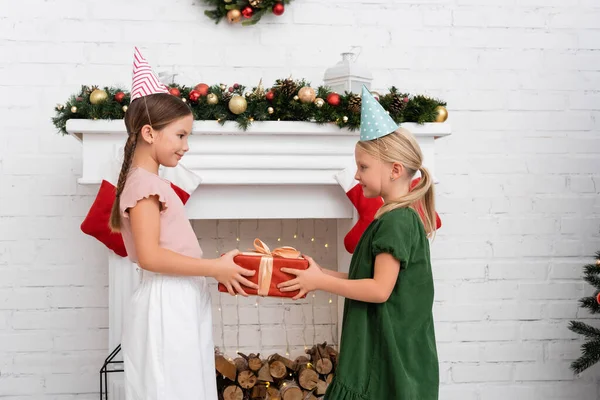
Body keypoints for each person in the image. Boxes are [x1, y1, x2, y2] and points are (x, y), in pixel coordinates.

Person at [109, 47, 257, 400]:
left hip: (178, 297)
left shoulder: (153, 183)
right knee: (171, 388)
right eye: (180, 135)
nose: (186, 146)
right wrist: (212, 268)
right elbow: (150, 258)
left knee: (186, 384)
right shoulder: (144, 185)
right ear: (149, 133)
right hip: (166, 300)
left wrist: (215, 269)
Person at [279, 86, 440, 400]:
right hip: (389, 350)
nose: (356, 175)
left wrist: (322, 281)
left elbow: (378, 291)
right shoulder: (394, 216)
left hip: (388, 356)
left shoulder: (397, 220)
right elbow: (372, 281)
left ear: (394, 170)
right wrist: (320, 274)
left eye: (363, 167)